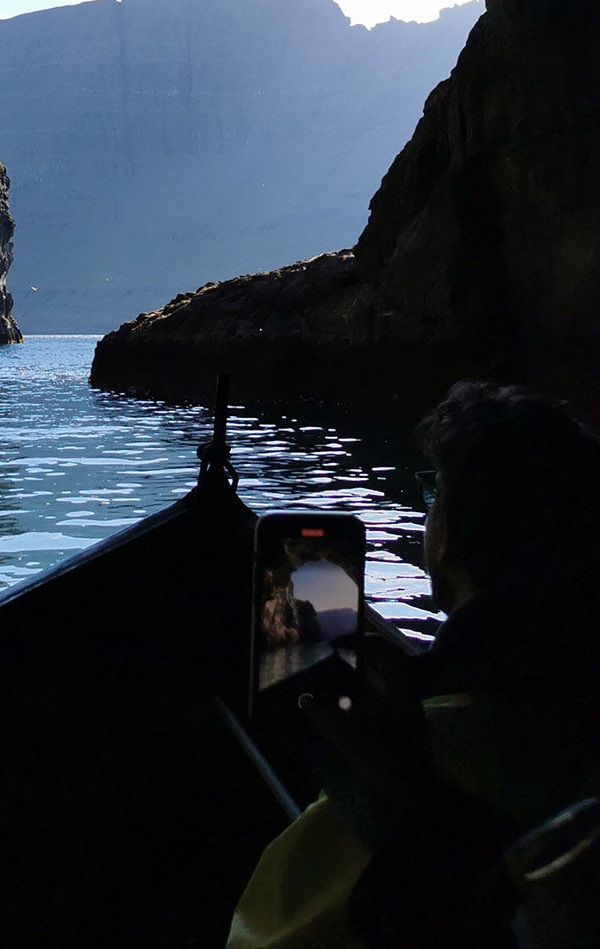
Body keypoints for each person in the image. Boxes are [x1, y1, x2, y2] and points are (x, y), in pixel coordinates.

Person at [227, 381, 600, 948]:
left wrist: (393, 783)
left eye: (435, 496)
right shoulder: (573, 701)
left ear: (448, 537)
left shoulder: (438, 734)